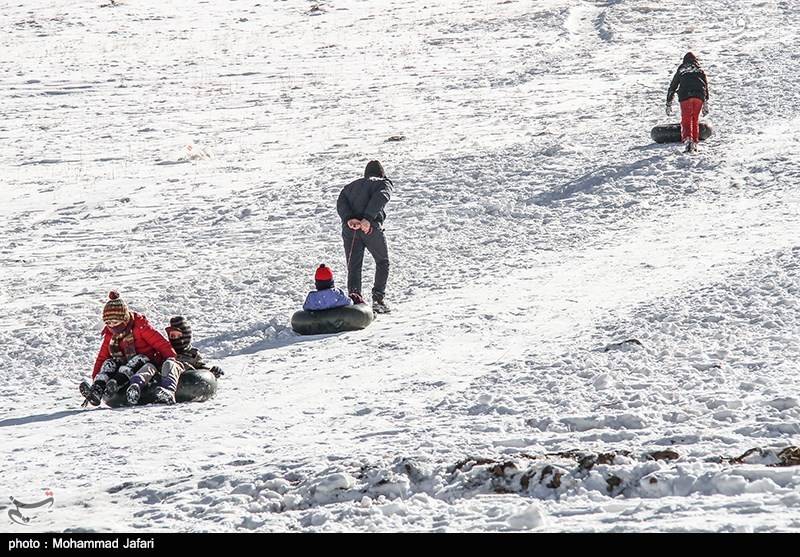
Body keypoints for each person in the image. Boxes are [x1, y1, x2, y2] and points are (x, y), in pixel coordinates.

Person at [82, 291, 181, 406]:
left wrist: (171, 361)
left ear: (124, 319)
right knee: (110, 362)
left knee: (138, 358)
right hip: (123, 365)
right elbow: (102, 357)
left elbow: (161, 344)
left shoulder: (140, 327)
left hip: (144, 363)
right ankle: (97, 389)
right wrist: (95, 378)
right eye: (108, 323)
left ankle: (116, 383)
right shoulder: (110, 334)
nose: (112, 326)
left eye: (115, 322)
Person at [336, 160, 393, 313]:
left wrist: (349, 219)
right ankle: (378, 300)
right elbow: (381, 197)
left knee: (354, 265)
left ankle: (355, 301)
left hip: (351, 230)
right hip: (371, 228)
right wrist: (367, 218)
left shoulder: (350, 187)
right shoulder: (383, 183)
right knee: (382, 262)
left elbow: (341, 202)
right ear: (381, 173)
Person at [666, 52, 709, 153]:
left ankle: (688, 140)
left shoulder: (681, 70)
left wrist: (668, 102)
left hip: (685, 95)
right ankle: (694, 142)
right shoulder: (700, 70)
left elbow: (673, 86)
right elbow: (705, 87)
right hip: (699, 96)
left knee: (686, 118)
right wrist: (705, 102)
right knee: (695, 119)